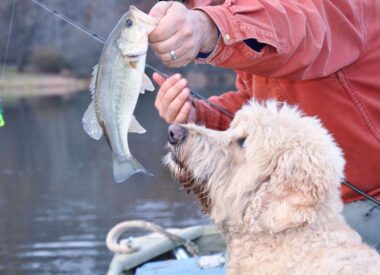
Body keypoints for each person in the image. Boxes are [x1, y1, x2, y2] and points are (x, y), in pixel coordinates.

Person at [148, 0, 380, 249]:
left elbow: (305, 30)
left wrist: (209, 27)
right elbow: (256, 104)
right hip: (301, 206)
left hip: (366, 201)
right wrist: (197, 115)